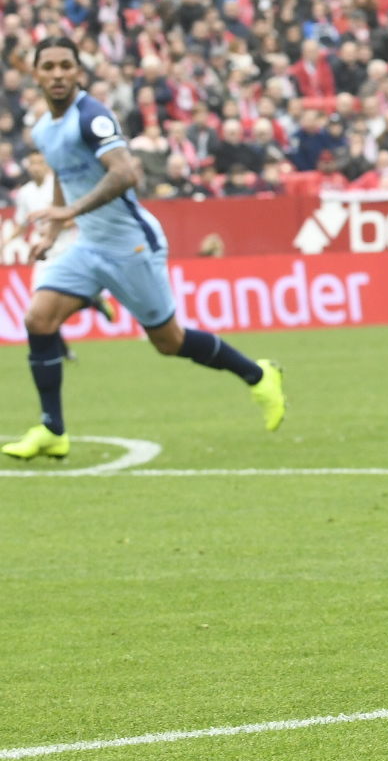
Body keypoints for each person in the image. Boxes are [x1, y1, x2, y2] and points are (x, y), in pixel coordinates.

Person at [2, 38, 288, 462]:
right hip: (89, 245)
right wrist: (55, 227)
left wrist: (71, 211)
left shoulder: (92, 116)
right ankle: (52, 429)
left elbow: (125, 174)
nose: (58, 74)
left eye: (66, 65)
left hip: (131, 245)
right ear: (37, 74)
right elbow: (64, 171)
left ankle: (257, 374)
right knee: (38, 319)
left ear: (78, 72)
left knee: (169, 342)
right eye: (49, 67)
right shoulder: (44, 128)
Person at [10, 150, 117, 359]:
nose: (36, 167)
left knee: (55, 304)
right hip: (44, 255)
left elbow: (78, 215)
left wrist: (56, 226)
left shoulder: (59, 186)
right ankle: (64, 350)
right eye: (32, 164)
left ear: (48, 165)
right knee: (38, 308)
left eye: (40, 163)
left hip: (68, 251)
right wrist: (6, 240)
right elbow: (22, 223)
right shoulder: (25, 193)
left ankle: (92, 300)